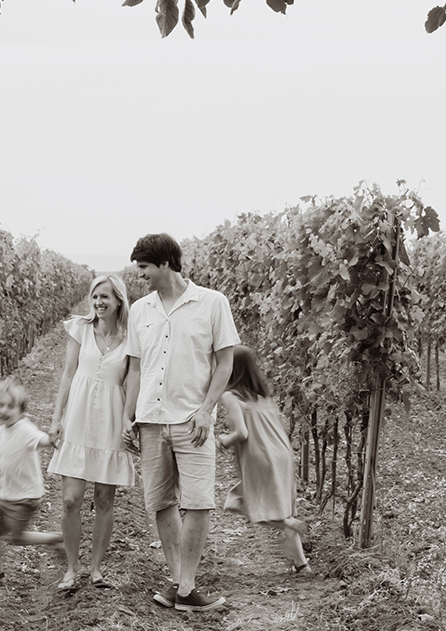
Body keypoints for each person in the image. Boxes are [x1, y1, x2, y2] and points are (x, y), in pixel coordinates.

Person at [122, 233, 240, 612]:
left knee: (199, 501)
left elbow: (225, 362)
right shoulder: (140, 310)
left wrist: (206, 409)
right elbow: (136, 369)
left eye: (143, 267)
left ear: (166, 264)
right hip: (151, 420)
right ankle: (179, 584)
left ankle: (187, 585)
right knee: (160, 502)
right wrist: (129, 415)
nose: (139, 274)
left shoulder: (212, 304)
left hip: (193, 420)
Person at [48, 274, 135, 591]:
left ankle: (96, 568)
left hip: (109, 419)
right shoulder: (80, 328)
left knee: (104, 500)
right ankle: (71, 569)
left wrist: (129, 419)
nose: (98, 302)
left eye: (105, 297)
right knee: (71, 500)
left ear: (119, 302)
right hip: (78, 418)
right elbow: (68, 376)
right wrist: (56, 418)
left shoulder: (130, 337)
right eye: (95, 296)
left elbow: (133, 379)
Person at [0, 377, 63, 587]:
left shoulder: (26, 430)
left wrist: (53, 439)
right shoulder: (3, 428)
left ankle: (55, 538)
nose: (3, 410)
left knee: (17, 538)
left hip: (25, 496)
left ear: (21, 410)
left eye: (10, 406)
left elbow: (42, 440)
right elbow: (3, 446)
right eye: (0, 405)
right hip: (6, 495)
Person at [218, 346, 311, 574]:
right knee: (280, 508)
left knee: (239, 502)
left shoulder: (230, 396)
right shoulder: (264, 397)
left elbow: (242, 433)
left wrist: (222, 440)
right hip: (283, 455)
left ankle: (287, 524)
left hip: (260, 456)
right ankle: (302, 565)